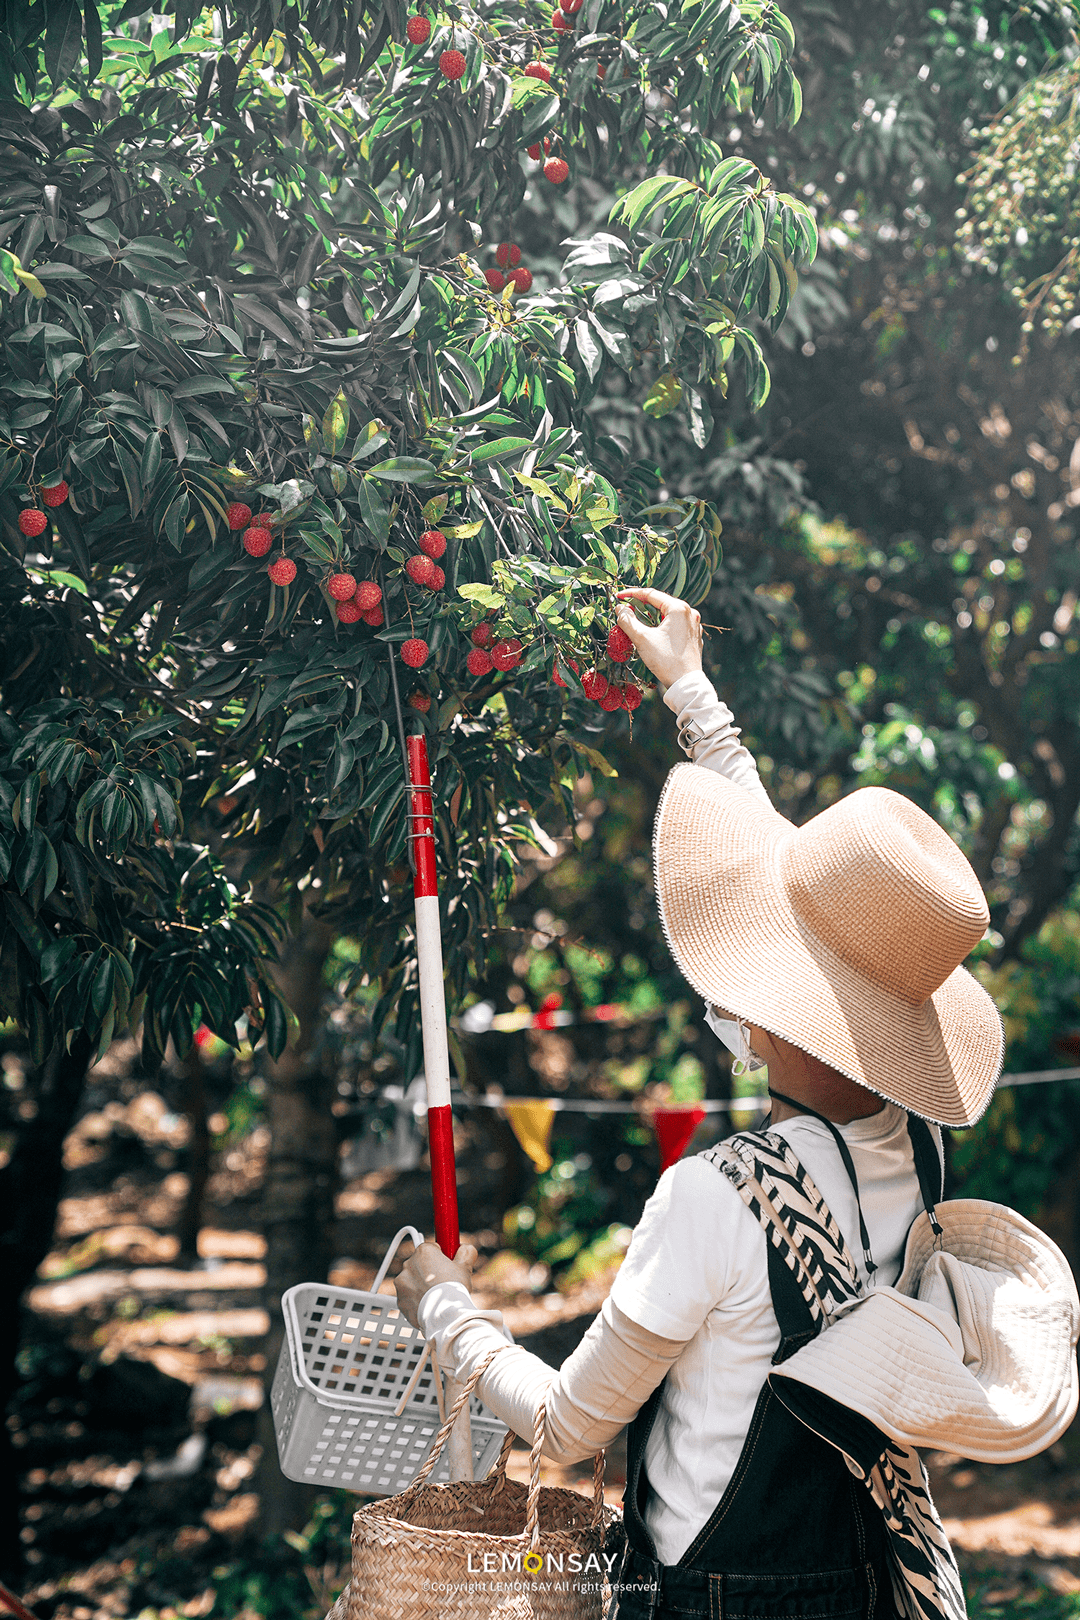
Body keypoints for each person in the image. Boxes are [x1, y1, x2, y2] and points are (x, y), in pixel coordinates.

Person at [394, 588, 1004, 1620]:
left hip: (720, 1600)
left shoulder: (713, 1201)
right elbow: (790, 874)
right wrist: (691, 690)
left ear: (769, 1018)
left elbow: (566, 1425)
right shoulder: (922, 1145)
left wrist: (444, 1310)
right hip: (862, 1582)